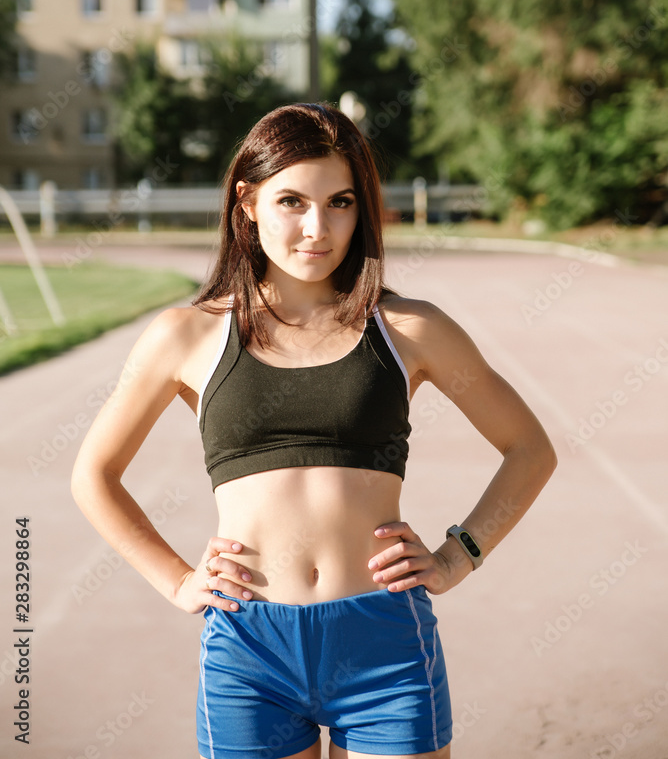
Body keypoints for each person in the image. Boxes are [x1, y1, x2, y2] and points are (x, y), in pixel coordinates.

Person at [71, 101, 557, 759]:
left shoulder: (410, 328)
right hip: (250, 651)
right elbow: (93, 475)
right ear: (247, 203)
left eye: (341, 202)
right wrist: (177, 580)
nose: (317, 228)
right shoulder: (186, 336)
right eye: (292, 201)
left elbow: (530, 450)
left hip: (383, 640)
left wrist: (458, 554)